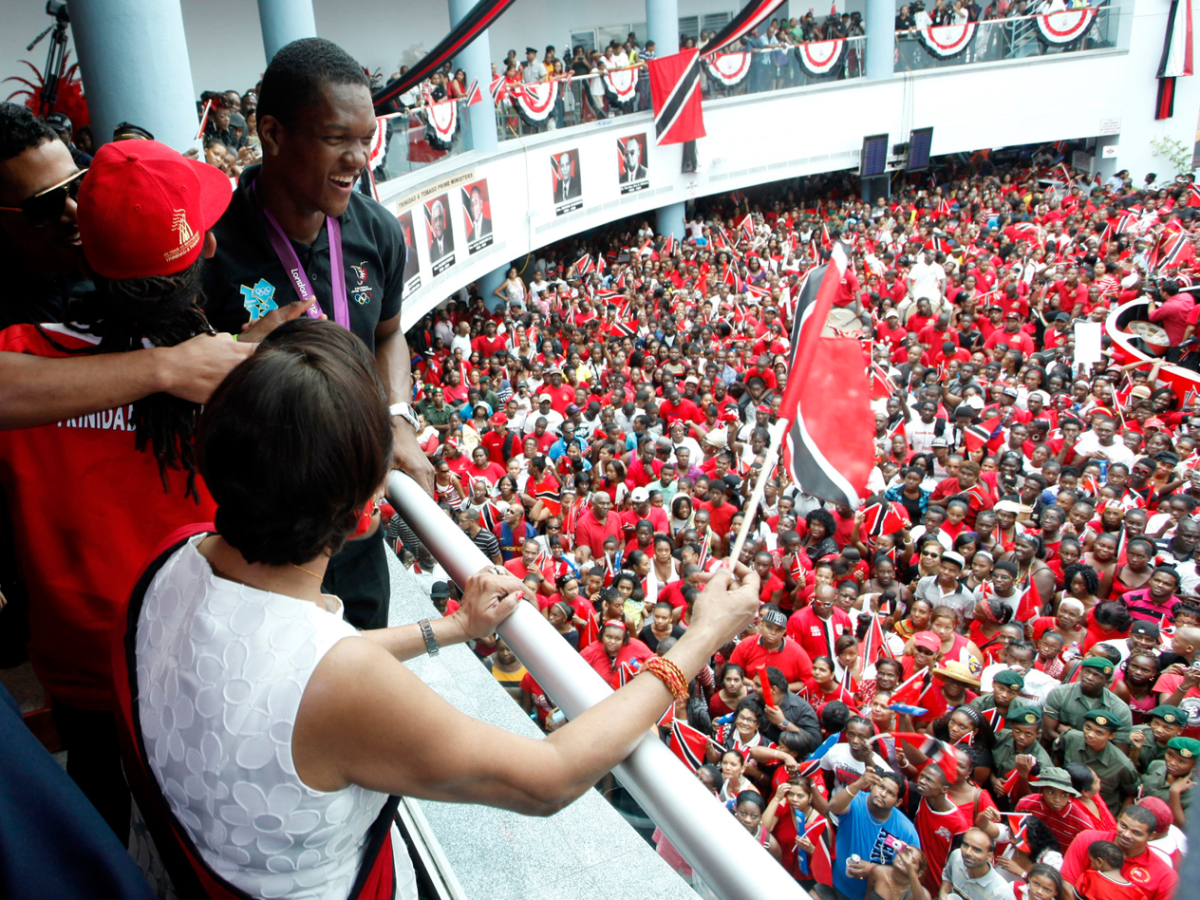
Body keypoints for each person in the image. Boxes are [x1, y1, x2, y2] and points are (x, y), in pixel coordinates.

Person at [122, 317, 763, 899]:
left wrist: (455, 628)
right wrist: (699, 639)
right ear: (364, 511)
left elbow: (290, 665)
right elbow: (548, 776)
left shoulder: (169, 559)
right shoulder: (338, 684)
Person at [0, 138, 240, 840]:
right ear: (206, 249)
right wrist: (169, 368)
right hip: (200, 677)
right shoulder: (231, 383)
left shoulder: (26, 355)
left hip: (80, 672)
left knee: (99, 819)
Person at [198, 39, 434, 630]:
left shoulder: (377, 230)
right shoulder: (213, 248)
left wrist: (396, 416)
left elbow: (388, 335)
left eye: (365, 138)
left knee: (361, 659)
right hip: (267, 525)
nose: (359, 158)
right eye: (337, 138)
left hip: (355, 520)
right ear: (273, 134)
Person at [0, 103, 250, 428]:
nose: (76, 211)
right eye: (45, 205)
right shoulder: (14, 336)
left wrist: (237, 354)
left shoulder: (102, 279)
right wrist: (166, 368)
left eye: (79, 186)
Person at [832, 767, 921, 900]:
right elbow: (833, 807)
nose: (883, 794)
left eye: (890, 793)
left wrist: (875, 870)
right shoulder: (856, 801)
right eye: (880, 787)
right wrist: (859, 783)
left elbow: (915, 870)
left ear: (898, 802)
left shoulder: (906, 830)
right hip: (837, 885)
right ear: (872, 786)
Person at [1060, 805, 1178, 900]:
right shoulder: (1086, 840)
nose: (1126, 835)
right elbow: (1066, 885)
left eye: (1136, 833)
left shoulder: (1165, 877)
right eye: (1123, 826)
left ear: (1151, 837)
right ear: (1118, 820)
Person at [938, 827, 1015, 900]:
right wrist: (944, 893)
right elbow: (947, 876)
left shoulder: (1002, 894)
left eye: (977, 850)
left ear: (989, 857)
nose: (968, 852)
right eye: (965, 845)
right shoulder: (956, 856)